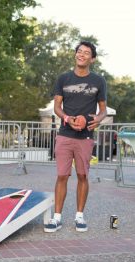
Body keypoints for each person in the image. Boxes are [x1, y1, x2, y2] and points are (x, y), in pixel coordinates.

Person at [44, 41, 107, 233]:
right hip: (65, 134)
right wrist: (66, 118)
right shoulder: (63, 78)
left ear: (92, 59)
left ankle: (79, 216)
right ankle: (57, 218)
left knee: (82, 175)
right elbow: (57, 107)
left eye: (86, 53)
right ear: (75, 55)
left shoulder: (99, 81)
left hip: (86, 136)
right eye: (79, 51)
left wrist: (98, 119)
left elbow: (103, 110)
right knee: (62, 175)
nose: (81, 55)